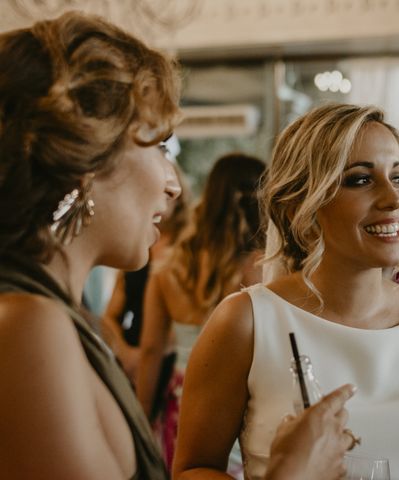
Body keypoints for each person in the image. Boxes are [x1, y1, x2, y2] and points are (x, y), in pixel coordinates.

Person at [0, 13, 356, 480]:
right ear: (87, 157)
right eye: (160, 148)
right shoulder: (29, 326)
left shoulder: (58, 315)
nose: (173, 184)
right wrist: (293, 472)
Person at [174, 103, 399, 480]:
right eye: (360, 180)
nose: (394, 200)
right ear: (300, 205)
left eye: (398, 178)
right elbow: (192, 470)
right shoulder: (246, 321)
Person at [136, 152, 267, 470]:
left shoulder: (171, 265)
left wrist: (139, 418)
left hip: (182, 401)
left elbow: (151, 349)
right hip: (244, 400)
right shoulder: (265, 269)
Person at [101, 160, 190, 384]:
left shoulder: (188, 249)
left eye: (169, 195)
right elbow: (110, 316)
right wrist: (126, 353)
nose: (164, 198)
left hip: (171, 360)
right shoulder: (136, 251)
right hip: (132, 353)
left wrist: (152, 353)